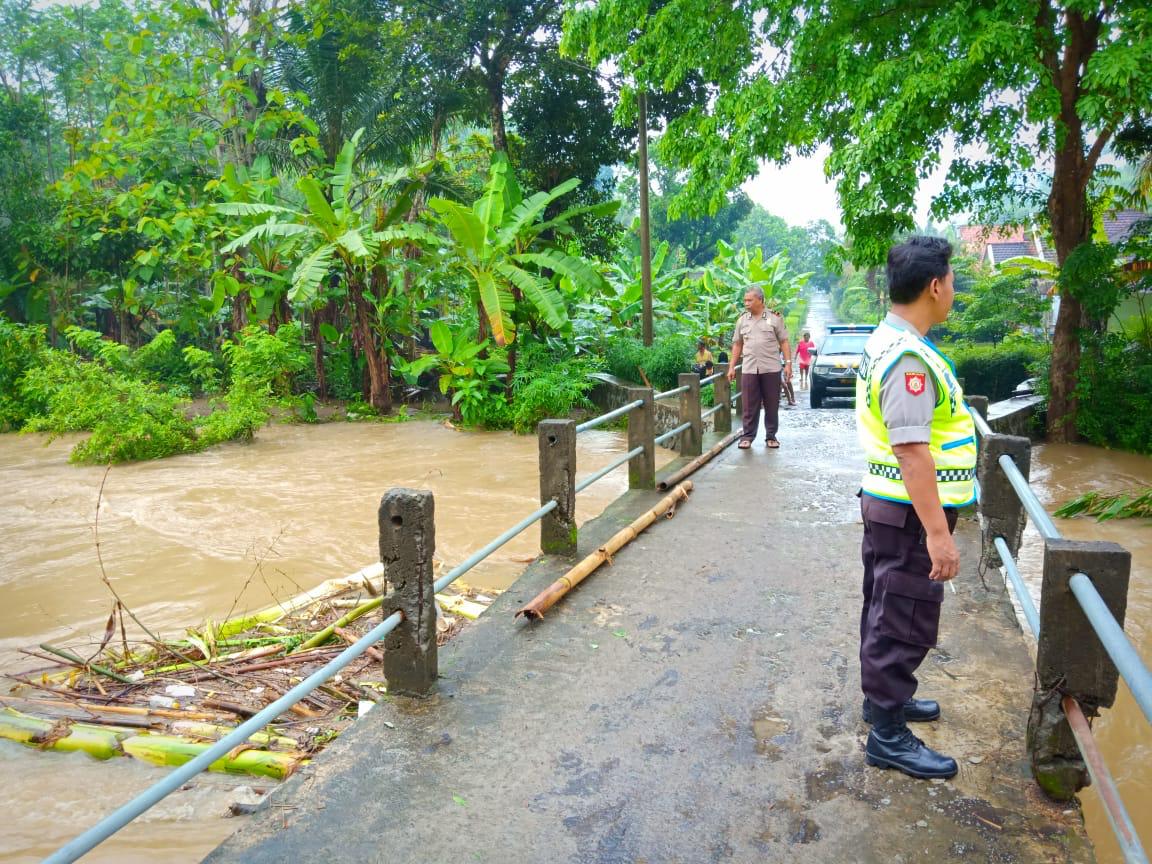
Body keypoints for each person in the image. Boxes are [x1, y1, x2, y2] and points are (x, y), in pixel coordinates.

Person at [855, 235, 977, 781]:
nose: (953, 289)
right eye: (951, 279)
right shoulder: (909, 358)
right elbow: (911, 450)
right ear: (934, 285)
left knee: (884, 608)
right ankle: (887, 736)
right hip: (908, 513)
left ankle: (883, 705)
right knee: (902, 618)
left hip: (890, 507)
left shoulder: (887, 339)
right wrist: (938, 534)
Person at [726, 285, 792, 449]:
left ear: (760, 300)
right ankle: (747, 436)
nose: (746, 303)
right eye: (745, 300)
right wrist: (732, 366)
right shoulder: (742, 320)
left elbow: (784, 341)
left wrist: (788, 364)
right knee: (749, 404)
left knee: (771, 404)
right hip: (749, 368)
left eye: (750, 300)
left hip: (771, 368)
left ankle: (771, 436)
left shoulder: (775, 318)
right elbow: (737, 344)